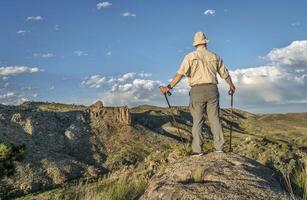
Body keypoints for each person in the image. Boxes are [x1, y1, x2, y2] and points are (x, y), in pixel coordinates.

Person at [160, 32, 236, 156]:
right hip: (212, 89)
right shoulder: (215, 56)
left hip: (197, 91)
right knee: (215, 119)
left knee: (197, 120)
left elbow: (180, 74)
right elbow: (225, 74)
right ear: (205, 42)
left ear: (195, 44)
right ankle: (219, 147)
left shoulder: (190, 56)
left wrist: (168, 87)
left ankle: (197, 150)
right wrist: (231, 85)